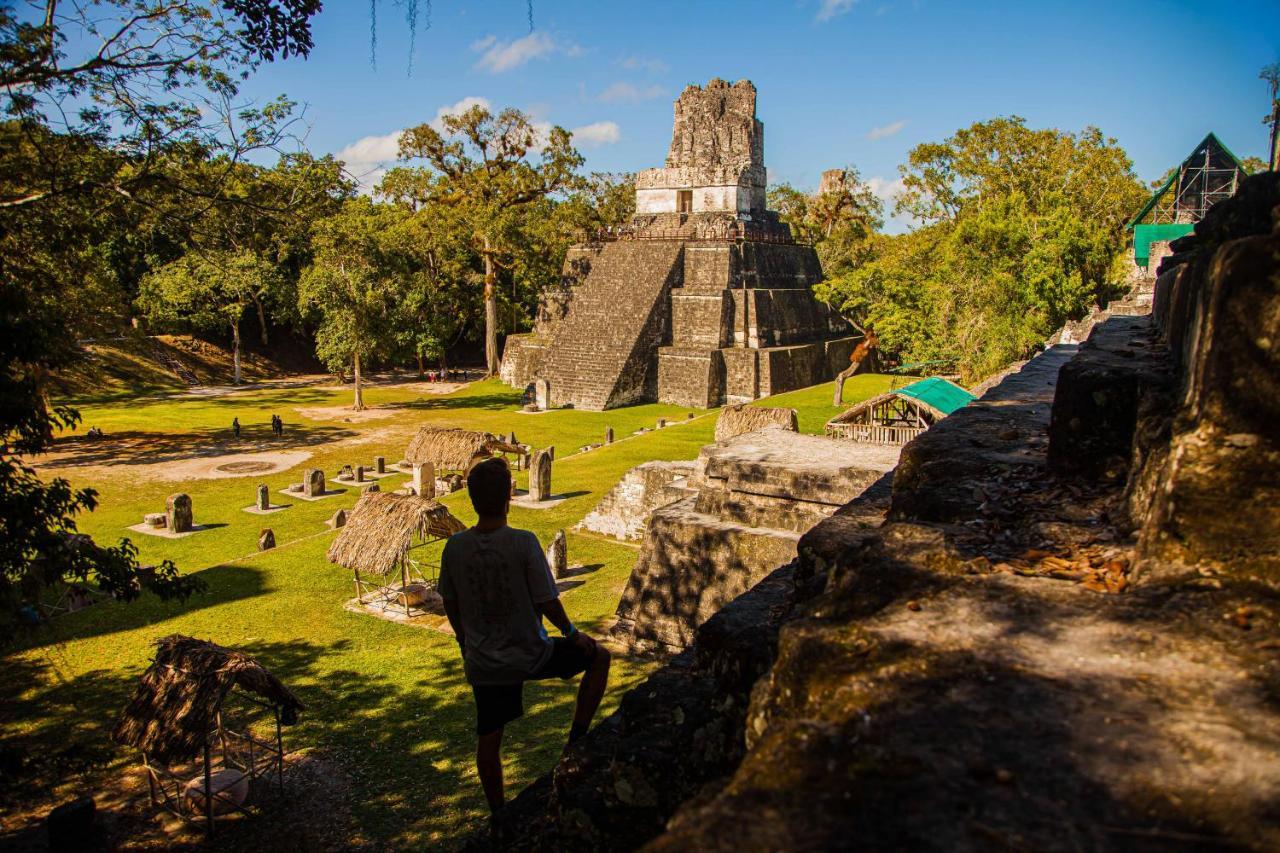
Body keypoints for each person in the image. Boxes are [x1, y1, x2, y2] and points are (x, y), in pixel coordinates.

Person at [438, 458, 611, 815]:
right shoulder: (522, 542)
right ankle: (577, 739)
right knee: (600, 658)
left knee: (488, 738)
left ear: (471, 501)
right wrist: (572, 633)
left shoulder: (455, 547)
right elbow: (546, 600)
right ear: (509, 499)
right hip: (532, 651)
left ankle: (498, 813)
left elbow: (451, 604)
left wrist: (464, 643)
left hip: (485, 660)